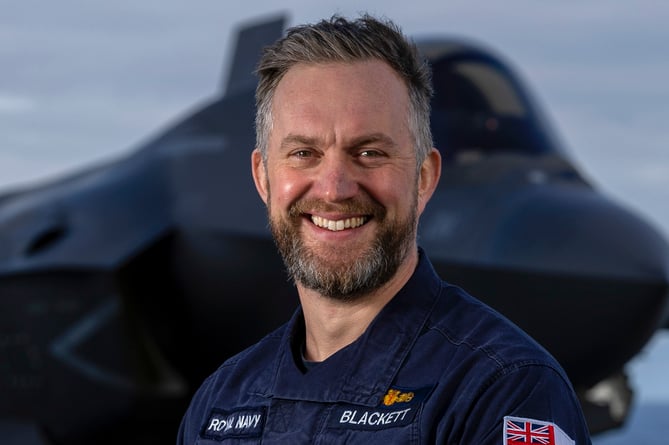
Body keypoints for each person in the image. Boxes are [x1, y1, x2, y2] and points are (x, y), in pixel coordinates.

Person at [177, 14, 592, 444]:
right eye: (304, 153)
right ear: (263, 178)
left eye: (370, 152)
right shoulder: (220, 405)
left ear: (424, 177)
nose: (335, 189)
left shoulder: (501, 392)